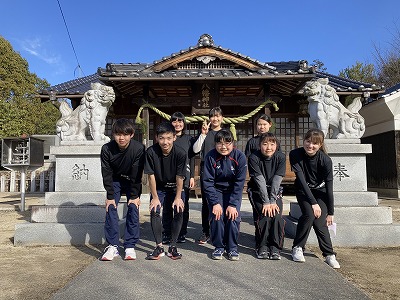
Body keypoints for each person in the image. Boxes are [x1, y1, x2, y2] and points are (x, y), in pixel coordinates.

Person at [289, 128, 340, 269]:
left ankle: (329, 254)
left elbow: (329, 188)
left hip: (321, 192)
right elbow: (302, 181)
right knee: (309, 214)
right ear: (304, 141)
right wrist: (313, 203)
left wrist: (331, 212)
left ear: (320, 145)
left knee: (320, 221)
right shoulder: (295, 154)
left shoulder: (325, 160)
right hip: (303, 190)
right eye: (308, 141)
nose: (310, 146)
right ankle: (298, 247)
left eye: (315, 143)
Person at [100, 118, 145, 261]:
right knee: (111, 206)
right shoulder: (106, 149)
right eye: (118, 134)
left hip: (132, 180)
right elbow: (106, 173)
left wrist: (134, 195)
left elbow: (137, 173)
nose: (121, 138)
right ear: (113, 134)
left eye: (125, 134)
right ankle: (113, 245)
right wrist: (110, 195)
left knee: (133, 206)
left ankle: (130, 245)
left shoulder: (138, 149)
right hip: (115, 180)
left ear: (131, 134)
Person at [202, 129, 247, 260]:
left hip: (233, 191)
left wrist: (233, 204)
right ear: (215, 144)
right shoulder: (210, 156)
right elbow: (208, 182)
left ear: (233, 143)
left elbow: (239, 183)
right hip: (216, 190)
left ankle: (232, 248)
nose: (223, 146)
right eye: (219, 143)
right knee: (217, 216)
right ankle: (219, 247)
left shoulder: (240, 157)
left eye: (227, 143)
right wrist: (215, 202)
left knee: (233, 216)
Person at [144, 122, 186, 260]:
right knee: (155, 210)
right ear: (156, 138)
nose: (165, 142)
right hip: (160, 187)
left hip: (175, 187)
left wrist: (178, 196)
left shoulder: (180, 153)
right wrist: (155, 197)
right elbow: (151, 176)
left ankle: (173, 246)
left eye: (168, 138)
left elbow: (180, 176)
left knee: (179, 209)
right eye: (161, 138)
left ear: (174, 137)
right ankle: (159, 246)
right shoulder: (151, 152)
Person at [247, 133, 286, 260]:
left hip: (274, 192)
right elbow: (260, 181)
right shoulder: (254, 157)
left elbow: (277, 179)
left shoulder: (280, 157)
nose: (269, 147)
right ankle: (262, 246)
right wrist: (266, 202)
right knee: (264, 215)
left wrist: (273, 201)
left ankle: (275, 247)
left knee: (276, 215)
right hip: (257, 191)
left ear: (276, 145)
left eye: (272, 144)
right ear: (259, 145)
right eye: (265, 144)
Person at [162, 112, 195, 244]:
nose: (177, 124)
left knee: (183, 206)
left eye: (180, 121)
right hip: (168, 176)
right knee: (168, 206)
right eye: (174, 121)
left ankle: (181, 233)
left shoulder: (189, 139)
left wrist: (192, 176)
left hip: (184, 176)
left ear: (184, 123)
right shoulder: (167, 138)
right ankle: (167, 232)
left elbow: (192, 157)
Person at [192, 107, 224, 244]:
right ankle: (206, 231)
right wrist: (203, 134)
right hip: (207, 172)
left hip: (223, 172)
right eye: (212, 116)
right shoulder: (206, 134)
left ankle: (221, 231)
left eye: (217, 116)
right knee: (206, 204)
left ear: (222, 117)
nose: (215, 119)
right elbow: (195, 150)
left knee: (222, 202)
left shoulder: (226, 133)